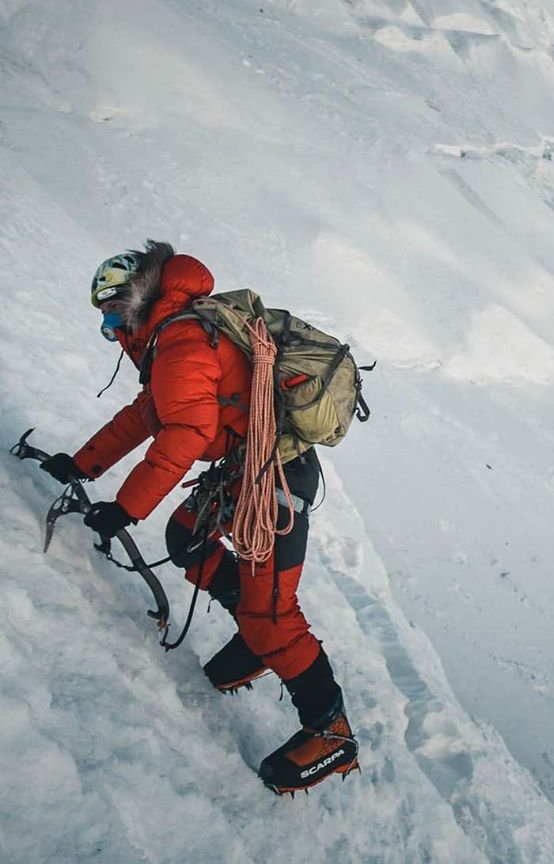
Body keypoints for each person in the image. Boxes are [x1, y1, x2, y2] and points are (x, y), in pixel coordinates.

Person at [40, 240, 359, 794]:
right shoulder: (178, 333)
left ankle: (332, 733)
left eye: (111, 314)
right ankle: (255, 643)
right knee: (187, 537)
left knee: (273, 615)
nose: (111, 328)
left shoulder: (182, 339)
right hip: (248, 470)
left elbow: (184, 433)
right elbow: (150, 412)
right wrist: (84, 463)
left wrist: (125, 508)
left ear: (135, 302)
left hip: (273, 481)